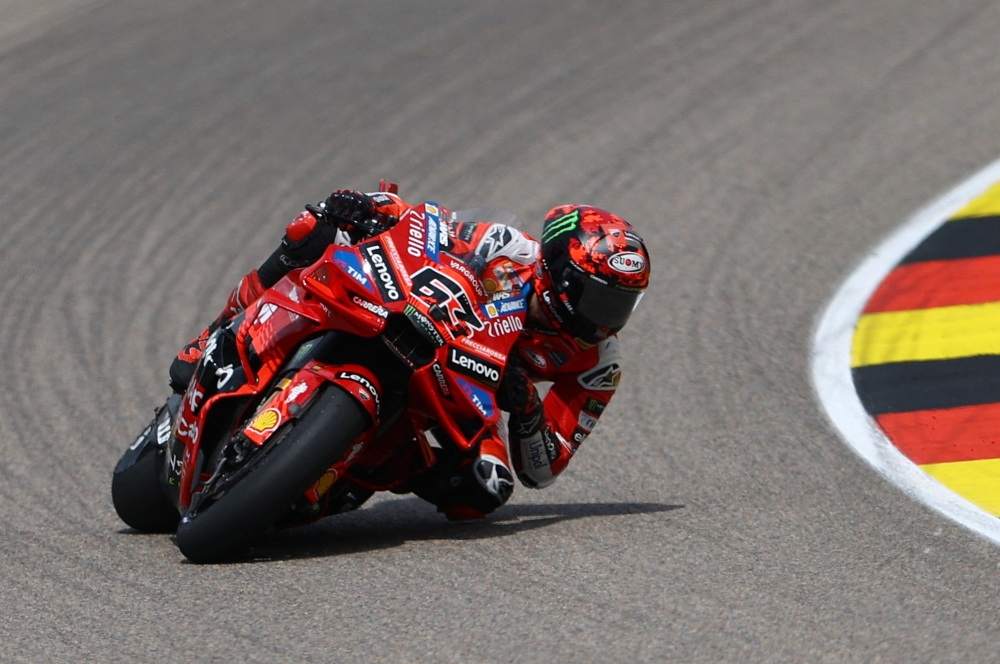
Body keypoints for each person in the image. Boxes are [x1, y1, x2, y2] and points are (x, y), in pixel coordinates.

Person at [169, 186, 651, 520]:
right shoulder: (508, 248)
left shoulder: (599, 364)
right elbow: (428, 230)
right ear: (558, 271)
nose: (605, 319)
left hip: (471, 391)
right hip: (428, 326)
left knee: (485, 491)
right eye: (598, 298)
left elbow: (543, 470)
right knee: (310, 230)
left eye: (621, 304)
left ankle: (345, 472)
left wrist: (527, 411)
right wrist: (376, 207)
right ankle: (212, 335)